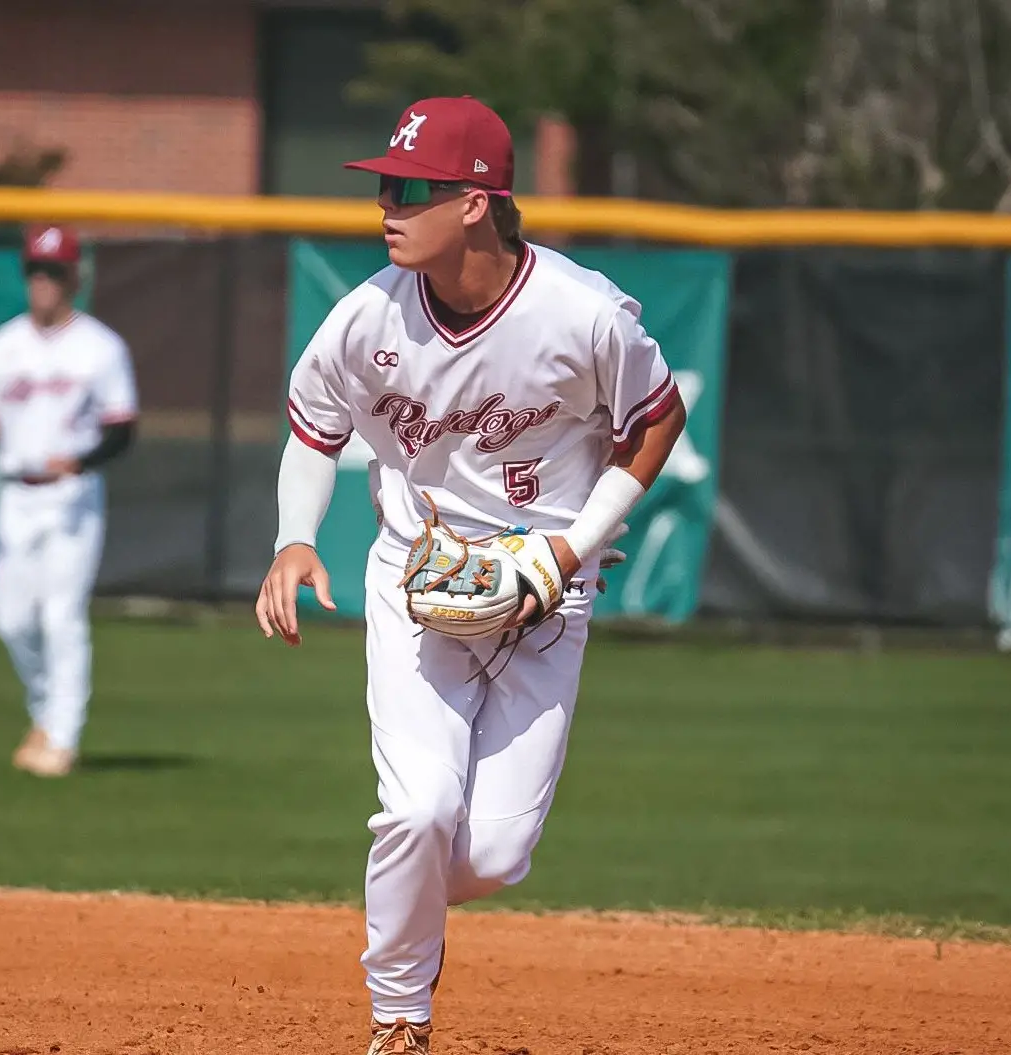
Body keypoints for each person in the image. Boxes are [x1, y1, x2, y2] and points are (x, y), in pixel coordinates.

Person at [255, 97, 686, 1054]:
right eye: (384, 186)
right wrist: (293, 538)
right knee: (417, 810)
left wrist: (571, 547)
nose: (387, 205)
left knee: (489, 854)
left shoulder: (580, 312)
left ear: (476, 202)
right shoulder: (366, 316)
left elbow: (656, 419)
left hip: (545, 598)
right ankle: (398, 1016)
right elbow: (315, 428)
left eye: (411, 189)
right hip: (415, 583)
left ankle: (403, 892)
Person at [0, 224, 138, 778]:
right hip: (15, 495)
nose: (43, 282)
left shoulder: (100, 347)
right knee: (11, 621)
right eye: (36, 270)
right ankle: (46, 713)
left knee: (61, 617)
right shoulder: (1, 347)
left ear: (73, 277)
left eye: (54, 271)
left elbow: (122, 430)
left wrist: (81, 461)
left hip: (71, 497)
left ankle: (63, 737)